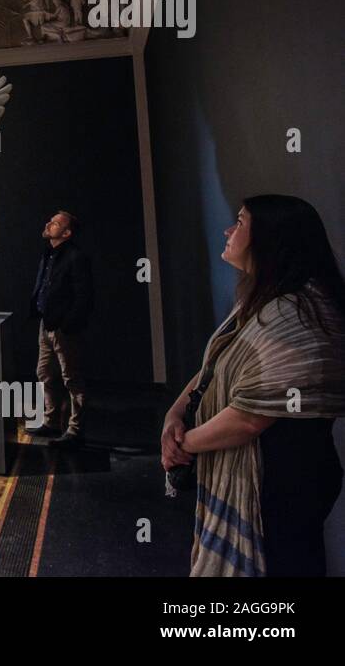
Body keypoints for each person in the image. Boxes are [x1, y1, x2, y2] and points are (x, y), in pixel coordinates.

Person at [161, 195, 345, 577]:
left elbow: (250, 418)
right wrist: (174, 414)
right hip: (267, 478)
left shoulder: (294, 314)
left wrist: (183, 445)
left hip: (279, 484)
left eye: (241, 222)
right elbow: (214, 365)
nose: (229, 230)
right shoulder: (264, 302)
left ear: (271, 238)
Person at [28, 210, 94, 445]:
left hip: (63, 329)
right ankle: (51, 421)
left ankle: (75, 429)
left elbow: (83, 296)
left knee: (71, 378)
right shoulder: (49, 255)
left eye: (55, 223)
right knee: (44, 373)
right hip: (47, 325)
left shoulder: (75, 257)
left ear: (66, 233)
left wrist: (67, 324)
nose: (48, 223)